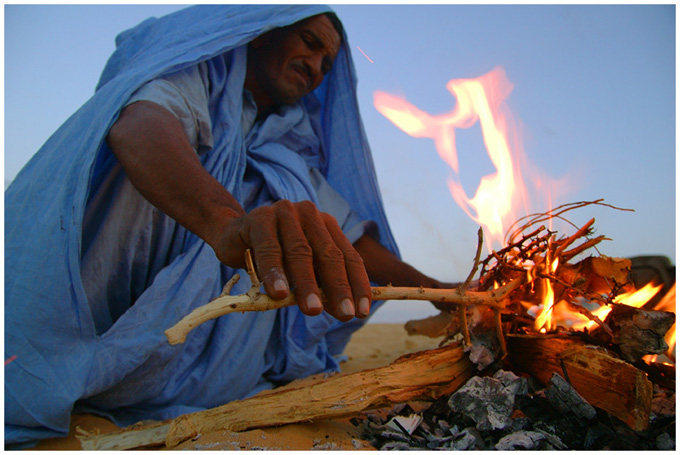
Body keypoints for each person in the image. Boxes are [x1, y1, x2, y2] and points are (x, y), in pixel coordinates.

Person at [5, 5, 449, 446]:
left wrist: (444, 295)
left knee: (300, 213)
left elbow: (350, 236)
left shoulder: (290, 145)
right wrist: (226, 224)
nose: (315, 67)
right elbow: (142, 124)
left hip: (212, 384)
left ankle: (181, 378)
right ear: (262, 33)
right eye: (309, 44)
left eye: (326, 64)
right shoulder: (199, 76)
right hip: (106, 311)